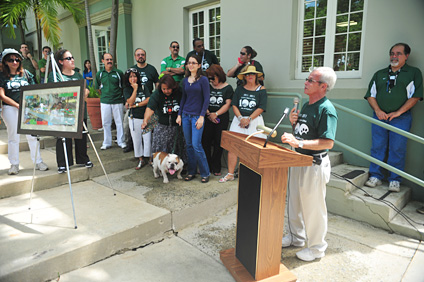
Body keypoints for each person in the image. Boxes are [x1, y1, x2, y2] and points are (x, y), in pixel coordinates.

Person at [280, 67, 338, 262]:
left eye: (310, 80)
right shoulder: (306, 106)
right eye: (306, 79)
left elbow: (328, 142)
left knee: (313, 208)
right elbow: (303, 133)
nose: (305, 82)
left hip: (314, 164)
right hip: (299, 160)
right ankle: (297, 238)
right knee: (294, 202)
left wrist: (299, 143)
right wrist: (293, 124)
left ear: (323, 86)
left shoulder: (326, 109)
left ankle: (316, 248)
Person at [364, 43, 423, 192]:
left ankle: (394, 179)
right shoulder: (379, 73)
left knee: (397, 149)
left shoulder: (413, 72)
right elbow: (370, 95)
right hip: (379, 116)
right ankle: (375, 176)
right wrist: (377, 110)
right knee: (377, 147)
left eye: (398, 53)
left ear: (406, 56)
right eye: (392, 53)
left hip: (401, 118)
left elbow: (416, 96)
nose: (394, 56)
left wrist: (398, 112)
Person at [0, 48, 48, 175]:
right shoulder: (2, 76)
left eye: (17, 59)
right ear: (5, 62)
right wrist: (17, 105)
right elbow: (2, 95)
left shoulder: (26, 73)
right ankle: (14, 164)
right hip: (10, 108)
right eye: (11, 60)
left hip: (28, 107)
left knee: (32, 135)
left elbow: (34, 89)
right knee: (13, 137)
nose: (15, 62)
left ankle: (38, 161)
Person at [219, 65, 267, 183]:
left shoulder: (261, 89)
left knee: (254, 147)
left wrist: (249, 119)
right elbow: (234, 104)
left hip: (254, 121)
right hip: (238, 120)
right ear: (244, 77)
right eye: (247, 74)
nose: (250, 76)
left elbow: (261, 107)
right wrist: (241, 118)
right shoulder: (240, 89)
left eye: (252, 74)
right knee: (233, 147)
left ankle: (252, 175)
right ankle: (230, 173)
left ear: (256, 76)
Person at [48, 49, 93, 173]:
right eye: (68, 58)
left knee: (81, 135)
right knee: (64, 137)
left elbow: (85, 91)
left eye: (72, 57)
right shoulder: (55, 75)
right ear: (61, 61)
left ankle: (83, 159)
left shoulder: (77, 74)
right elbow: (55, 93)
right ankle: (64, 162)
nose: (72, 60)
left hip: (79, 110)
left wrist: (84, 93)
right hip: (63, 112)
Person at [176, 54, 210, 183]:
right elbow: (183, 98)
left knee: (196, 145)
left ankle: (205, 172)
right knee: (189, 145)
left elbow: (206, 99)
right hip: (185, 116)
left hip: (197, 116)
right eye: (189, 63)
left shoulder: (203, 80)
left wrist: (201, 117)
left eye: (194, 63)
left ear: (199, 65)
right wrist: (179, 114)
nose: (191, 65)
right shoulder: (185, 81)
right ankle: (191, 171)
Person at [142, 74, 186, 163]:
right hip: (162, 125)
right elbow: (150, 108)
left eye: (168, 89)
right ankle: (160, 166)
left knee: (178, 147)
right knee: (161, 147)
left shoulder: (180, 92)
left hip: (177, 126)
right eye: (164, 89)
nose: (166, 91)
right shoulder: (157, 93)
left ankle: (180, 166)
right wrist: (145, 121)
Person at [126, 48, 159, 153]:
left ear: (145, 56)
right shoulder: (132, 69)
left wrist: (155, 97)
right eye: (138, 55)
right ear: (135, 57)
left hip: (148, 103)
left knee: (149, 131)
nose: (140, 56)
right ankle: (130, 145)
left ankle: (148, 153)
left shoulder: (151, 69)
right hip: (133, 105)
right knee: (127, 127)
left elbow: (157, 84)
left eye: (142, 55)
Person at [203, 64, 233, 176]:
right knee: (205, 142)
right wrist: (209, 114)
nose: (211, 80)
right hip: (207, 117)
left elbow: (228, 104)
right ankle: (207, 166)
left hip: (221, 118)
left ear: (219, 75)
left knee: (218, 142)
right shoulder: (208, 86)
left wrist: (216, 114)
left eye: (213, 78)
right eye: (209, 78)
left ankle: (216, 166)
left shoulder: (228, 88)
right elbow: (203, 100)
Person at [95, 53, 126, 150]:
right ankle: (106, 142)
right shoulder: (99, 74)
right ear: (103, 61)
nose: (109, 61)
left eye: (111, 59)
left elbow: (123, 87)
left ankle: (121, 141)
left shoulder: (119, 73)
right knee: (105, 123)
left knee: (119, 122)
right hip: (105, 101)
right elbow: (98, 88)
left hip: (117, 101)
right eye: (107, 59)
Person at [124, 68, 151, 169]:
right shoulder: (127, 89)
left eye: (134, 76)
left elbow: (149, 99)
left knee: (147, 138)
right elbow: (130, 102)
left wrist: (137, 105)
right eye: (130, 77)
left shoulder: (144, 87)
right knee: (137, 139)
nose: (133, 78)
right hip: (134, 117)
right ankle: (140, 159)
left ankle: (149, 158)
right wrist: (135, 89)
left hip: (146, 116)